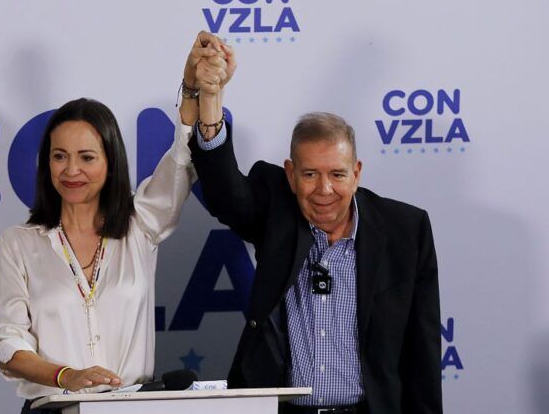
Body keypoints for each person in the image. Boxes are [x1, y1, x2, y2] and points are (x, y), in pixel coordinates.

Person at [181, 31, 442, 414]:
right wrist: (210, 99)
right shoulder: (277, 208)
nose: (324, 190)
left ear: (356, 173)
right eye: (309, 175)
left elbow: (422, 354)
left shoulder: (406, 230)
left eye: (337, 175)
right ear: (290, 174)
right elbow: (225, 194)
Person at [0, 97, 201, 413]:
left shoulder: (139, 225)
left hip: (133, 407)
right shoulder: (16, 244)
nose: (72, 170)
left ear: (110, 162)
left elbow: (180, 162)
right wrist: (66, 376)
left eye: (87, 157)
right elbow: (8, 342)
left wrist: (195, 94)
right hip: (55, 408)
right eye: (60, 156)